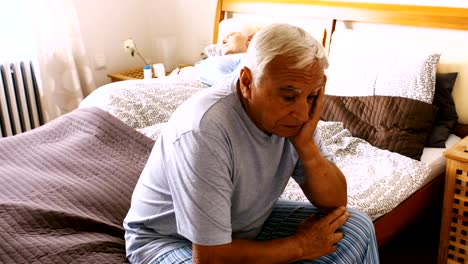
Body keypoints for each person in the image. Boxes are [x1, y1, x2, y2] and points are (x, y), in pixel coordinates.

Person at [124, 23, 380, 263]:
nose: (303, 114)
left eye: (312, 96)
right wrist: (300, 246)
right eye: (289, 96)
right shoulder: (205, 130)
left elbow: (336, 201)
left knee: (355, 226)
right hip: (168, 239)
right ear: (247, 82)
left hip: (244, 223)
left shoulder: (297, 117)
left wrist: (307, 148)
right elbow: (210, 258)